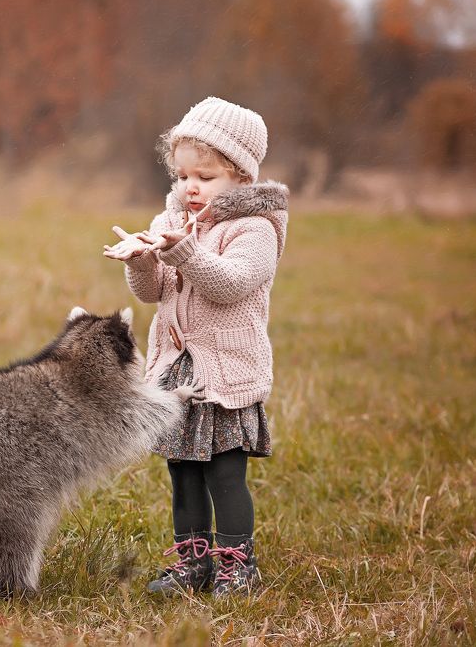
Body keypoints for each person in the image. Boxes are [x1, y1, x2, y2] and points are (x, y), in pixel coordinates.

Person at [103, 97, 288, 596]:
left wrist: (181, 249)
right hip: (177, 377)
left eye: (204, 177)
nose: (190, 187)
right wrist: (143, 260)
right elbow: (154, 291)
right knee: (183, 477)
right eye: (183, 175)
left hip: (225, 379)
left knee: (224, 477)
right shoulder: (173, 221)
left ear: (241, 177)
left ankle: (237, 565)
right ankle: (193, 561)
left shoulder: (255, 229)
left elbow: (227, 283)